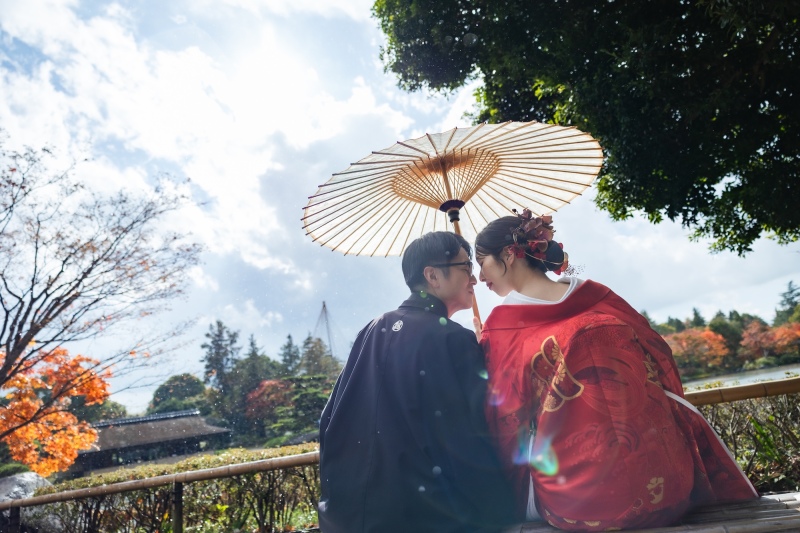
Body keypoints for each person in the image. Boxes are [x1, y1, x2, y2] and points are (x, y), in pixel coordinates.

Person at [473, 210, 757, 531]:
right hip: (668, 488)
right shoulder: (600, 299)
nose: (480, 277)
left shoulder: (501, 329)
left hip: (582, 506)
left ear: (509, 254)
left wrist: (485, 346)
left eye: (482, 263)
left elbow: (505, 419)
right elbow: (660, 360)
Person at [318, 231, 520, 533]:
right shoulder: (453, 339)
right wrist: (503, 509)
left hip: (351, 515)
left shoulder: (373, 329)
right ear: (433, 275)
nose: (475, 279)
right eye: (466, 268)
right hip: (425, 516)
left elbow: (329, 419)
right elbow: (469, 436)